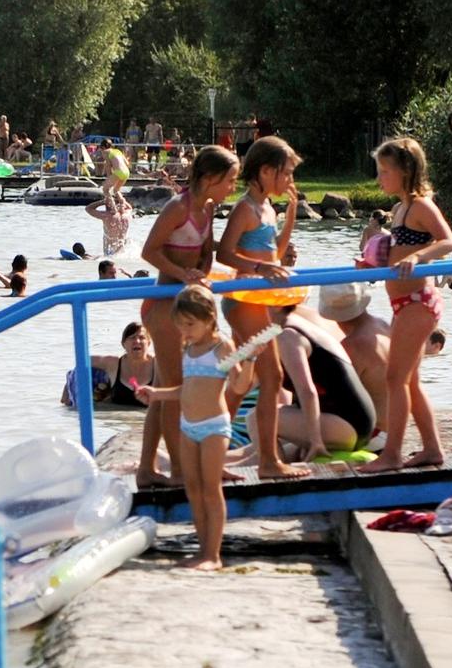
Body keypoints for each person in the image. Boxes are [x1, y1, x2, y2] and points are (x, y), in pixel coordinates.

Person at [138, 146, 241, 488]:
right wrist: (183, 275)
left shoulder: (208, 208)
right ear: (210, 178)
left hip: (188, 305)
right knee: (175, 388)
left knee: (170, 388)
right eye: (229, 180)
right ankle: (180, 471)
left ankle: (147, 468)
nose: (232, 187)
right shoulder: (177, 207)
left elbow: (206, 255)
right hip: (164, 305)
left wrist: (201, 277)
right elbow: (148, 251)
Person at [135, 286, 256, 571]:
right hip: (188, 427)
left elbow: (239, 386)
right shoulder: (189, 348)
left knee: (211, 490)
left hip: (214, 427)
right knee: (193, 490)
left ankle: (213, 556)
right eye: (181, 326)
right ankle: (203, 551)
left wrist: (249, 361)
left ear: (210, 318)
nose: (185, 331)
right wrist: (157, 393)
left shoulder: (221, 347)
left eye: (190, 325)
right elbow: (186, 390)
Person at [359, 138, 452, 474]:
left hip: (418, 302)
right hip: (403, 302)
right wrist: (374, 266)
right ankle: (431, 449)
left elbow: (448, 240)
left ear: (406, 171)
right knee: (409, 381)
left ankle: (392, 454)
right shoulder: (400, 209)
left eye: (385, 171)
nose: (380, 178)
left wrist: (419, 256)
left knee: (394, 377)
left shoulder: (420, 206)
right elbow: (398, 253)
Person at [215, 136, 306, 481]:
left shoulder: (267, 207)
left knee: (243, 380)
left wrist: (292, 214)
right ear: (265, 171)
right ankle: (268, 460)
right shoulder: (245, 208)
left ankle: (215, 453)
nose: (289, 182)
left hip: (258, 302)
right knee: (272, 376)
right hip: (243, 303)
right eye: (285, 174)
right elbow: (223, 254)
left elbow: (277, 255)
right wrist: (258, 269)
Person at [267, 304, 377, 459]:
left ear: (276, 306)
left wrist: (315, 441)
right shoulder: (291, 325)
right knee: (250, 451)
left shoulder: (288, 336)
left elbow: (307, 391)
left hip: (347, 425)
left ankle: (273, 468)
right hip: (351, 424)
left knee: (258, 417)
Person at [61, 321, 158, 410]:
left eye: (142, 337)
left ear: (149, 343)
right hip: (117, 422)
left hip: (146, 419)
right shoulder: (113, 363)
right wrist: (67, 391)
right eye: (132, 337)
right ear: (123, 344)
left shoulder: (158, 364)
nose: (137, 341)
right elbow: (81, 363)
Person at [85, 191, 133, 257]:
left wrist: (103, 201)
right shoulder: (126, 215)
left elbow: (88, 208)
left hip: (110, 252)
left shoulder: (106, 216)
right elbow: (129, 207)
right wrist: (121, 200)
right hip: (123, 251)